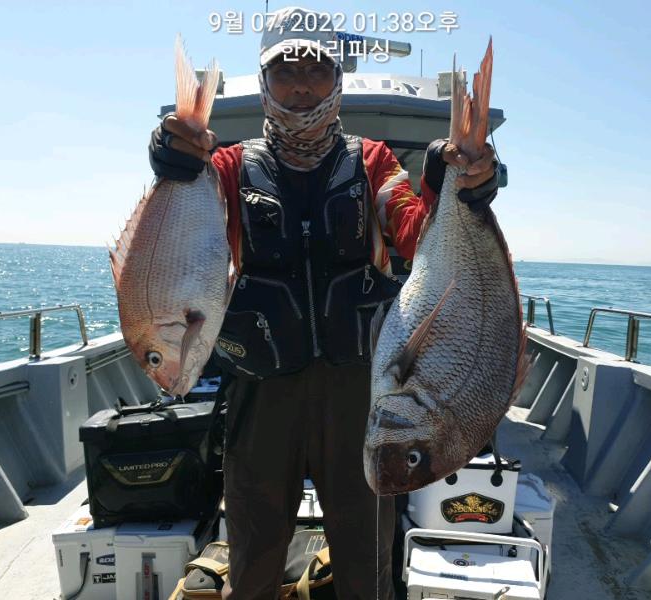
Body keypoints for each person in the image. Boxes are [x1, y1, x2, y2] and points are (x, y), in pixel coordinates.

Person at [148, 7, 499, 599]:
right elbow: (181, 238)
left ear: (337, 78)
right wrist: (171, 164)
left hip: (359, 391)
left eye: (317, 69)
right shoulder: (227, 168)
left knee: (366, 559)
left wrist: (458, 185)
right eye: (285, 71)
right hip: (260, 391)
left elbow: (413, 231)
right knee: (254, 556)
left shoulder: (374, 161)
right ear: (266, 80)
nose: (302, 86)